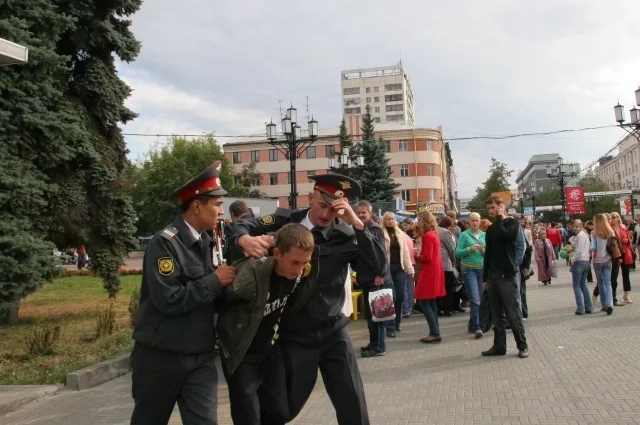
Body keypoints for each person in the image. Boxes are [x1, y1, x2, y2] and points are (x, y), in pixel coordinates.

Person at [226, 174, 387, 425]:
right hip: (296, 335)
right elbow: (241, 226)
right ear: (311, 197)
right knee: (283, 408)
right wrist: (244, 239)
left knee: (352, 402)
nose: (326, 215)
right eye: (322, 205)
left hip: (333, 331)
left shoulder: (345, 235)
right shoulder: (285, 221)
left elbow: (377, 265)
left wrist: (356, 221)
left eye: (333, 210)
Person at [130, 161, 237, 425]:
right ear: (197, 205)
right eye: (217, 205)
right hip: (160, 358)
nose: (221, 212)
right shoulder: (164, 244)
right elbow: (169, 299)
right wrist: (215, 281)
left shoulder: (209, 241)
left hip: (199, 357)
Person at [217, 224, 319, 424]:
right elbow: (227, 294)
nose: (299, 269)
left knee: (279, 413)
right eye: (295, 262)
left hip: (270, 349)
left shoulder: (301, 269)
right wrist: (242, 243)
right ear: (277, 254)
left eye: (304, 263)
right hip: (241, 353)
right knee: (248, 417)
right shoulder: (253, 274)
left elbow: (283, 237)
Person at [482, 196, 528, 359]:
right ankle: (499, 346)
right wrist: (485, 277)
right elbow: (488, 252)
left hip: (507, 275)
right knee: (496, 315)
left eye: (494, 207)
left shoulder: (512, 223)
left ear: (502, 207)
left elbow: (505, 235)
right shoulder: (491, 228)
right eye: (489, 209)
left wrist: (501, 218)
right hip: (493, 275)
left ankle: (522, 345)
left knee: (512, 313)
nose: (491, 211)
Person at [355, 201, 393, 357]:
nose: (360, 215)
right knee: (371, 314)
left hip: (376, 279)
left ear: (370, 213)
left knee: (377, 314)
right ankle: (373, 343)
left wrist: (379, 274)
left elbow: (380, 254)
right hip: (367, 277)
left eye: (363, 213)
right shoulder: (362, 228)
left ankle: (378, 347)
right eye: (358, 213)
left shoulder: (373, 228)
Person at [381, 212, 414, 337]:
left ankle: (397, 321)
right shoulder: (381, 232)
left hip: (399, 267)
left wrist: (410, 269)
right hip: (387, 268)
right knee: (390, 297)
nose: (390, 221)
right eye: (388, 219)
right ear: (384, 220)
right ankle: (389, 327)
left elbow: (405, 253)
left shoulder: (400, 233)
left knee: (400, 296)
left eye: (392, 219)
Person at [415, 210, 445, 343]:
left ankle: (434, 332)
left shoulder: (427, 235)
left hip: (429, 271)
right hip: (435, 270)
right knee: (431, 302)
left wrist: (416, 255)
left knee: (424, 301)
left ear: (425, 221)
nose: (418, 222)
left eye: (419, 220)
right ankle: (435, 330)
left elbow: (427, 257)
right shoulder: (434, 234)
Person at [456, 212, 486, 339]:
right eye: (472, 220)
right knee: (474, 298)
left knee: (480, 299)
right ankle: (477, 327)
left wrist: (483, 250)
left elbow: (489, 255)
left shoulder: (485, 235)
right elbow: (457, 253)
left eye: (477, 220)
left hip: (482, 270)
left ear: (480, 222)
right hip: (469, 270)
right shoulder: (464, 235)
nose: (475, 223)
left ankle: (473, 322)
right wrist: (469, 249)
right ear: (469, 222)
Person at [591, 214, 614, 315]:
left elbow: (593, 247)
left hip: (597, 260)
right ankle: (610, 304)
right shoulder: (610, 232)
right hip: (608, 259)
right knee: (608, 283)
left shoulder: (594, 233)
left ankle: (604, 305)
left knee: (600, 283)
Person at [570, 220, 594, 315]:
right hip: (586, 261)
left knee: (576, 285)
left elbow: (579, 250)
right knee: (583, 284)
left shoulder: (580, 236)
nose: (575, 228)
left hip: (579, 262)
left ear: (580, 226)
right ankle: (589, 306)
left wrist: (572, 259)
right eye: (573, 226)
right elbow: (589, 247)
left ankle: (580, 308)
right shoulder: (585, 235)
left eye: (576, 226)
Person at [437, 216, 457, 317]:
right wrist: (454, 261)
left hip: (436, 264)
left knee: (438, 287)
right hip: (445, 264)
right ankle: (448, 309)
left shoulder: (435, 230)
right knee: (448, 288)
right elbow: (451, 248)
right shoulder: (445, 232)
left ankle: (438, 308)